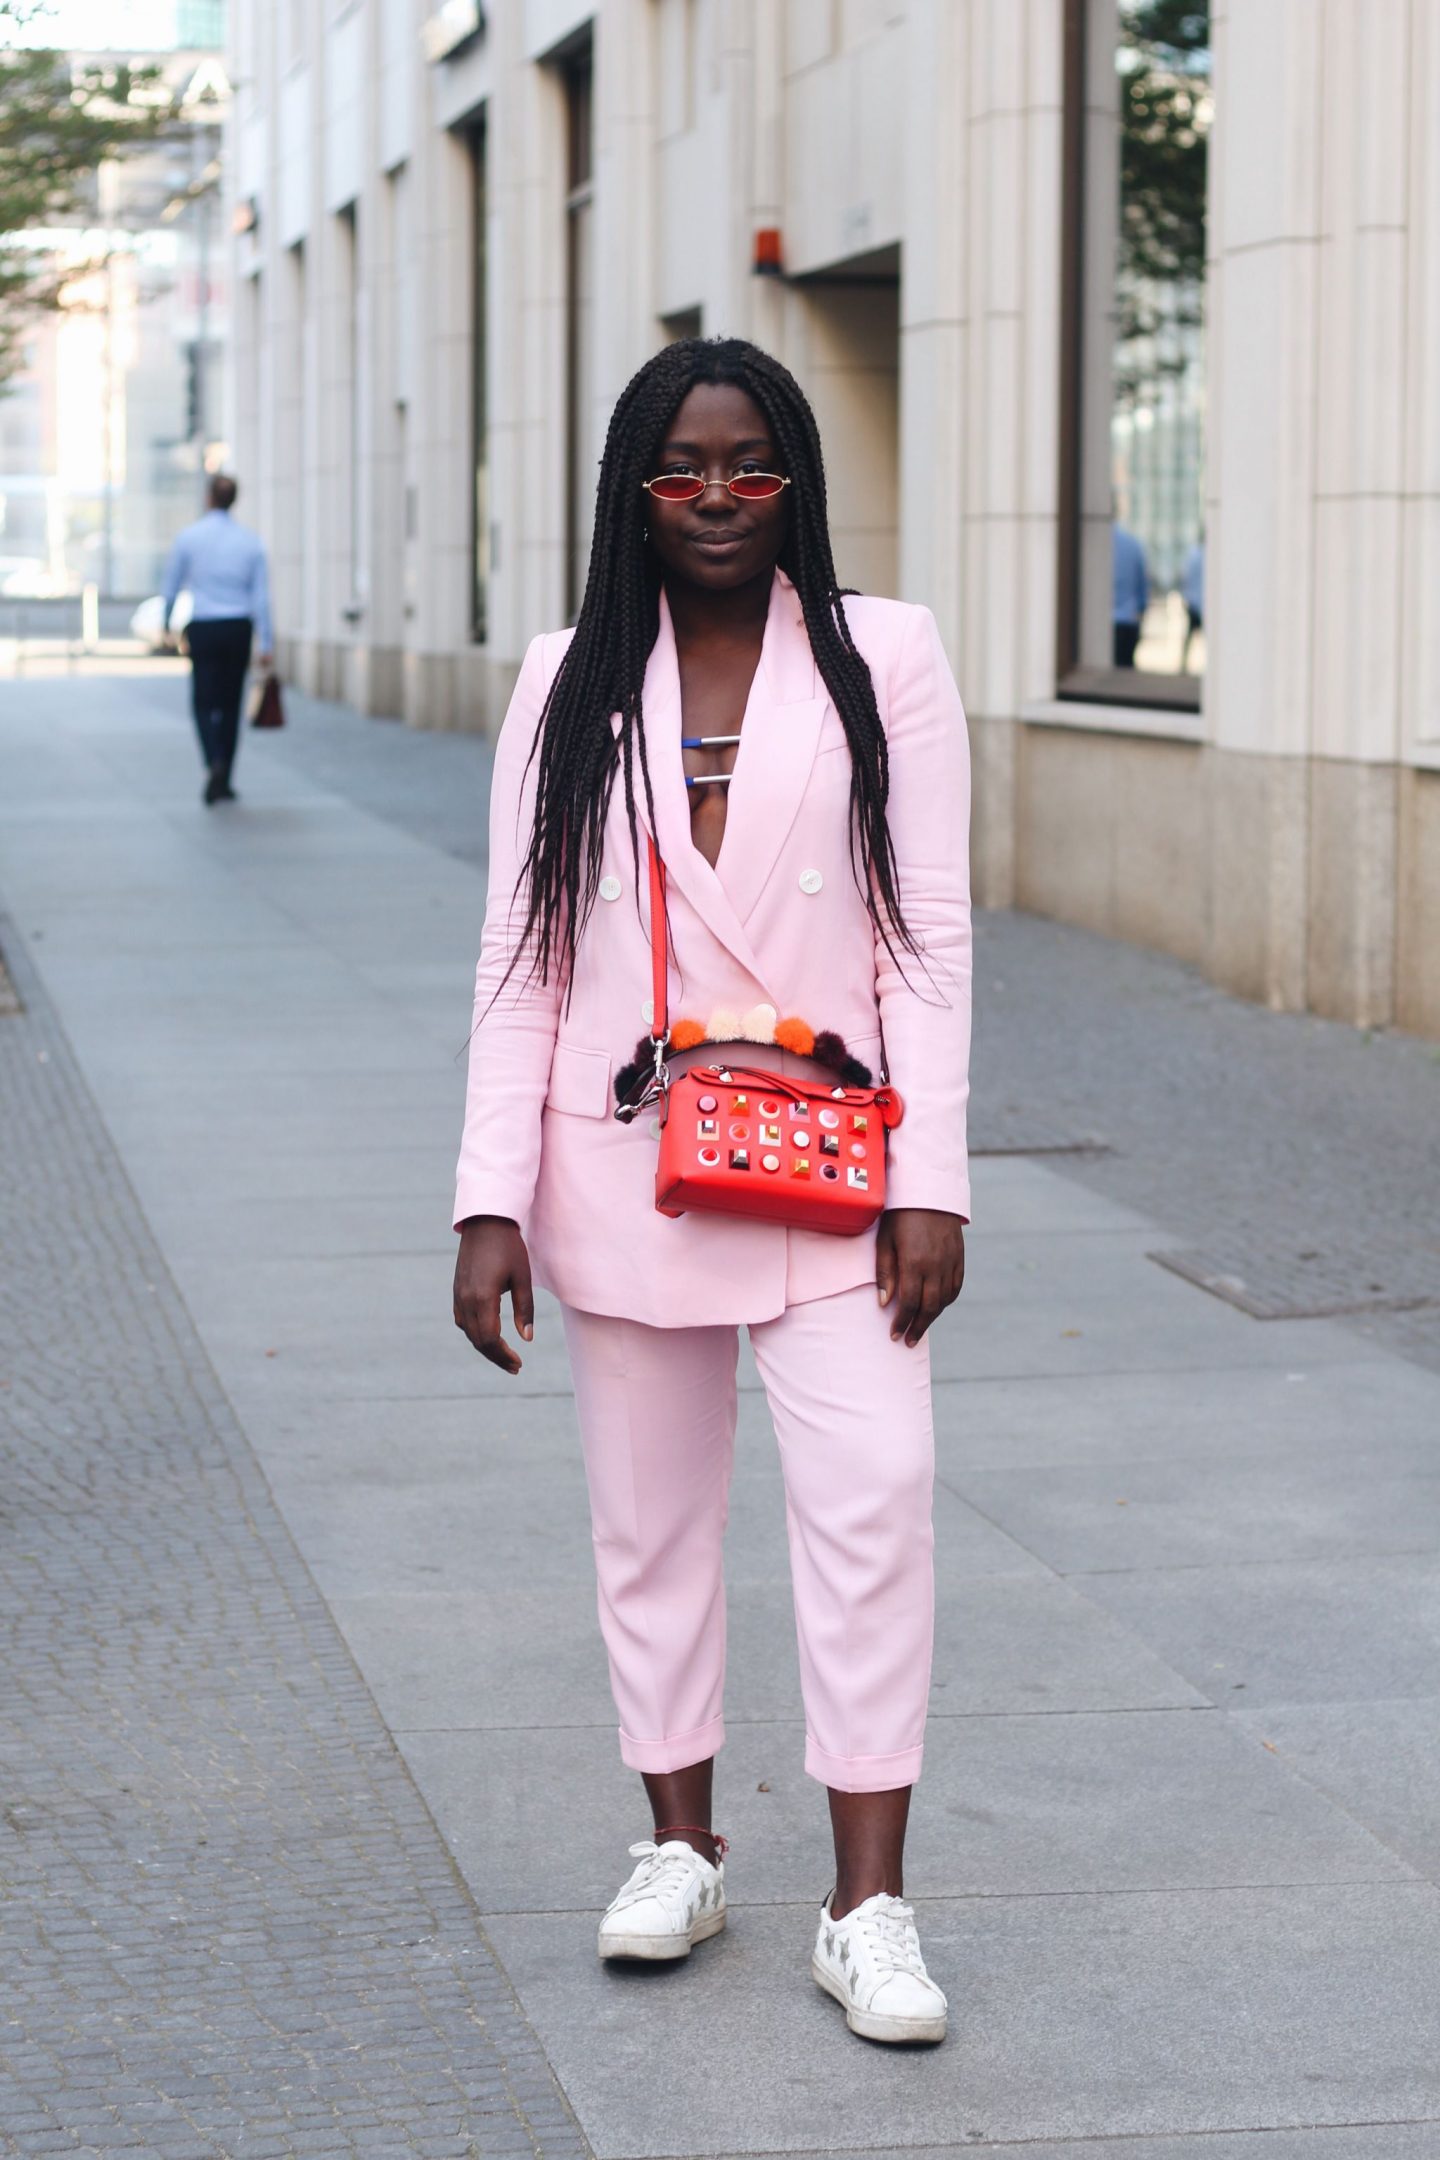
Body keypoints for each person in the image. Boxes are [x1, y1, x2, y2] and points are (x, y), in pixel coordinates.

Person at [452, 338, 971, 2046]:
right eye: (682, 467)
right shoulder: (571, 676)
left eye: (753, 462)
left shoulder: (881, 655)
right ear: (632, 489)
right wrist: (487, 1201)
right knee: (649, 1529)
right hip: (630, 1169)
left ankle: (868, 1903)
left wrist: (936, 1180)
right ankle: (679, 1842)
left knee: (875, 1503)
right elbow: (522, 954)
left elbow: (926, 936)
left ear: (798, 475)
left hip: (835, 1173)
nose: (722, 494)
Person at [162, 474, 273, 805]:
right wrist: (266, 642)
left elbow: (171, 585)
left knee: (202, 701)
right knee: (230, 702)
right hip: (239, 627)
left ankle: (214, 762)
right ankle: (223, 775)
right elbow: (262, 597)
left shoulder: (189, 537)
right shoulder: (251, 542)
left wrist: (167, 622)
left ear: (209, 498)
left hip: (204, 627)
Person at [1112, 521, 1148, 667]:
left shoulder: (1092, 544)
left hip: (1101, 625)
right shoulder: (1133, 545)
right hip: (1127, 621)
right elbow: (1142, 586)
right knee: (1124, 672)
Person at [1181, 533, 1205, 672]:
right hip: (1202, 603)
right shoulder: (1208, 555)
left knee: (1189, 638)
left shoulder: (1193, 555)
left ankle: (1184, 664)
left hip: (1193, 602)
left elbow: (1186, 578)